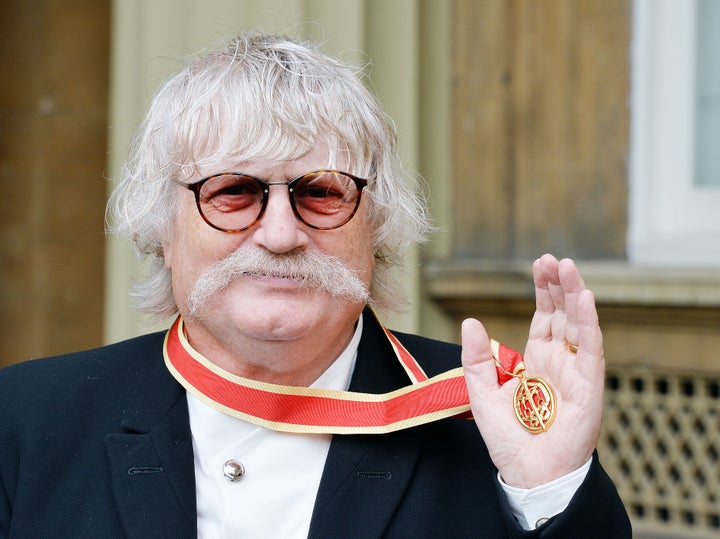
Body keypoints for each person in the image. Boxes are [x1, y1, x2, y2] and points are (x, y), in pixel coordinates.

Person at [0, 33, 630, 538]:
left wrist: (548, 492)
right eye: (233, 192)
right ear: (162, 229)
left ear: (377, 226)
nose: (280, 234)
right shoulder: (26, 419)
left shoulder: (486, 425)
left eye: (323, 193)